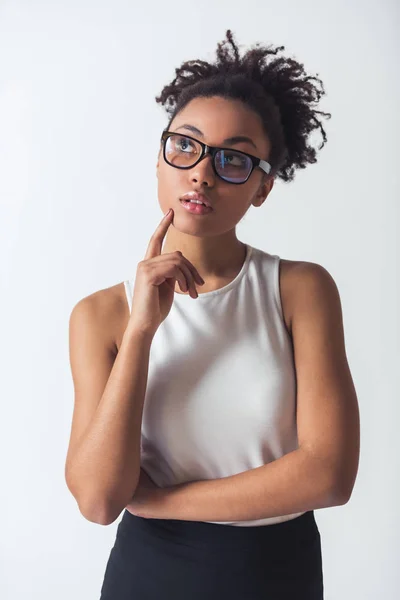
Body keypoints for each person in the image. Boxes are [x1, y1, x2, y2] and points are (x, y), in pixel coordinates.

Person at [65, 29, 360, 600]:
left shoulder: (300, 289)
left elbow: (329, 474)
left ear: (262, 187)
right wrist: (142, 331)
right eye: (186, 146)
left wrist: (161, 501)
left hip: (278, 572)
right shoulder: (101, 316)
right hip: (151, 572)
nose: (201, 172)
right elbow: (100, 499)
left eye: (233, 159)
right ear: (159, 160)